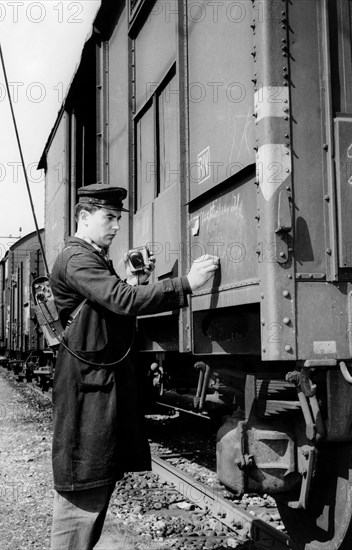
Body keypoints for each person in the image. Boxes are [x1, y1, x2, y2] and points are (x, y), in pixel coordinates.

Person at [49, 183, 219, 549]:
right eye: (108, 218)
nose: (114, 226)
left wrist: (133, 281)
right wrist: (186, 283)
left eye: (117, 218)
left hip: (96, 384)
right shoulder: (77, 257)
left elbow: (107, 302)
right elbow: (120, 301)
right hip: (87, 389)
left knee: (94, 482)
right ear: (83, 217)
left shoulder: (89, 256)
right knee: (82, 489)